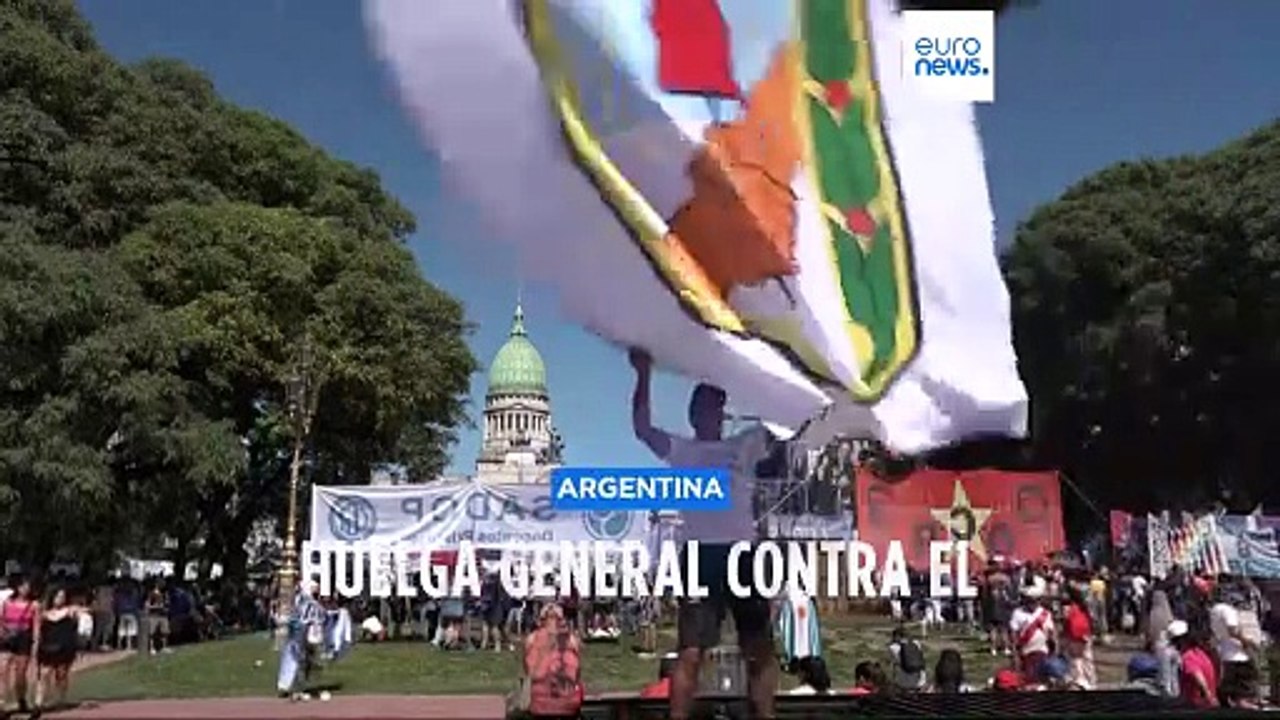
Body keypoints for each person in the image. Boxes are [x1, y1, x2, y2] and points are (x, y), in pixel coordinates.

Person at [628, 348, 777, 720]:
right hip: (700, 557)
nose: (710, 413)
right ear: (693, 414)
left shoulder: (744, 444)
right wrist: (644, 373)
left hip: (743, 555)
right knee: (691, 651)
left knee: (757, 647)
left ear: (723, 414)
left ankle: (766, 713)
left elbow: (785, 421)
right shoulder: (683, 450)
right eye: (703, 406)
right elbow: (643, 428)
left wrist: (766, 370)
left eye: (717, 406)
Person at [523, 604, 583, 719]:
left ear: (541, 620)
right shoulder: (572, 640)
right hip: (569, 701)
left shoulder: (532, 639)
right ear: (562, 620)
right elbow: (578, 671)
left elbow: (527, 669)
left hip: (539, 703)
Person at [34, 588, 84, 713]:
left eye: (62, 597)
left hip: (64, 646)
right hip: (47, 646)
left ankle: (61, 700)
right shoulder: (44, 613)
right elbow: (38, 629)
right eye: (58, 596)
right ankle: (38, 702)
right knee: (44, 674)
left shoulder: (69, 611)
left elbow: (81, 614)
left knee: (61, 674)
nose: (60, 599)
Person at [276, 580, 326, 701]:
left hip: (300, 631)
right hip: (303, 631)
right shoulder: (307, 602)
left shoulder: (301, 600)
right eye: (315, 588)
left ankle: (292, 687)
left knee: (299, 659)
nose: (317, 591)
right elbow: (316, 618)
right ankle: (296, 688)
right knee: (301, 659)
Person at [1210, 587, 1259, 708]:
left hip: (1223, 649)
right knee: (1244, 677)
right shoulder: (1228, 610)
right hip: (1236, 652)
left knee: (1228, 681)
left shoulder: (1214, 610)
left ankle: (1226, 702)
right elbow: (1232, 630)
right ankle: (1242, 701)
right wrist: (1247, 641)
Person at [0, 577, 39, 714]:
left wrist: (35, 643)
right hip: (7, 638)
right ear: (17, 587)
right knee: (3, 671)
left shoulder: (34, 605)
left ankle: (21, 698)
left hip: (24, 638)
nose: (25, 589)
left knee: (20, 674)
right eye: (23, 586)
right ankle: (2, 703)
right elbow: (1, 619)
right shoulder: (7, 602)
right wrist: (2, 632)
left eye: (27, 587)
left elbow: (36, 626)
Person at [1009, 580, 1054, 678]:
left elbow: (1051, 634)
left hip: (1043, 651)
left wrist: (1054, 651)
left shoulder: (1046, 613)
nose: (1033, 604)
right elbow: (1013, 635)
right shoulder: (1017, 613)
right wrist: (1015, 654)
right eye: (1030, 601)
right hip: (1025, 652)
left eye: (1036, 600)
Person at [1169, 620, 1217, 708]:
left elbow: (1197, 675)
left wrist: (1208, 695)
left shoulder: (1188, 657)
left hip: (1196, 704)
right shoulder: (1200, 653)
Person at [1061, 584, 1096, 689]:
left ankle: (1080, 683)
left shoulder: (1071, 608)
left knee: (1076, 661)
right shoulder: (1084, 608)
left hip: (1074, 637)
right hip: (1085, 636)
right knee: (1087, 660)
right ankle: (1090, 684)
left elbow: (1066, 623)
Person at [887, 626, 926, 692]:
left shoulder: (893, 648)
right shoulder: (917, 643)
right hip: (920, 680)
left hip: (904, 682)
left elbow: (894, 665)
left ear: (897, 636)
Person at [144, 583, 169, 654]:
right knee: (152, 633)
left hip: (163, 615)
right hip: (154, 615)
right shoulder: (151, 594)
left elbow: (165, 603)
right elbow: (147, 605)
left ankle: (164, 647)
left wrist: (165, 607)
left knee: (165, 632)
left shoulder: (164, 594)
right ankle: (152, 648)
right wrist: (156, 606)